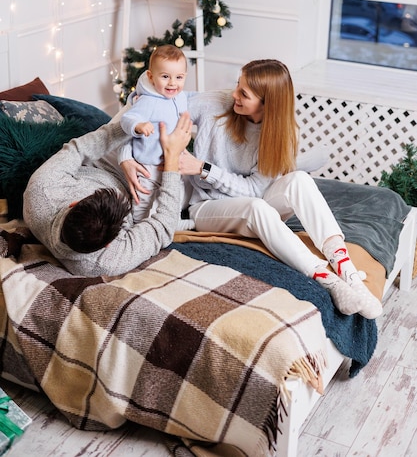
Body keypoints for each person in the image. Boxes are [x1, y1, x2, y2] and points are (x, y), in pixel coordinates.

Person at [121, 59, 382, 319]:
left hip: (255, 201)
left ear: (267, 103)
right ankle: (328, 279)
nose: (234, 94)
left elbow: (255, 190)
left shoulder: (282, 133)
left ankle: (347, 271)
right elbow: (147, 102)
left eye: (244, 93)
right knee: (256, 208)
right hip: (207, 206)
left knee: (300, 179)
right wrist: (125, 155)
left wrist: (204, 168)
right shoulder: (216, 103)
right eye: (238, 85)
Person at [22, 111, 193, 277]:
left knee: (148, 107)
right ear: (109, 244)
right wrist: (172, 158)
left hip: (105, 163)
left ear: (73, 203)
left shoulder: (41, 188)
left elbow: (77, 149)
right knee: (195, 176)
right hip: (141, 193)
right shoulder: (105, 262)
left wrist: (130, 128)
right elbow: (162, 228)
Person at [120, 45, 193, 227]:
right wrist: (138, 126)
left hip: (171, 161)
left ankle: (173, 222)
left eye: (179, 77)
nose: (172, 83)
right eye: (165, 77)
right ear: (151, 77)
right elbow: (128, 118)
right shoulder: (148, 101)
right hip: (148, 164)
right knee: (143, 197)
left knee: (175, 192)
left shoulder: (180, 96)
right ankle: (138, 224)